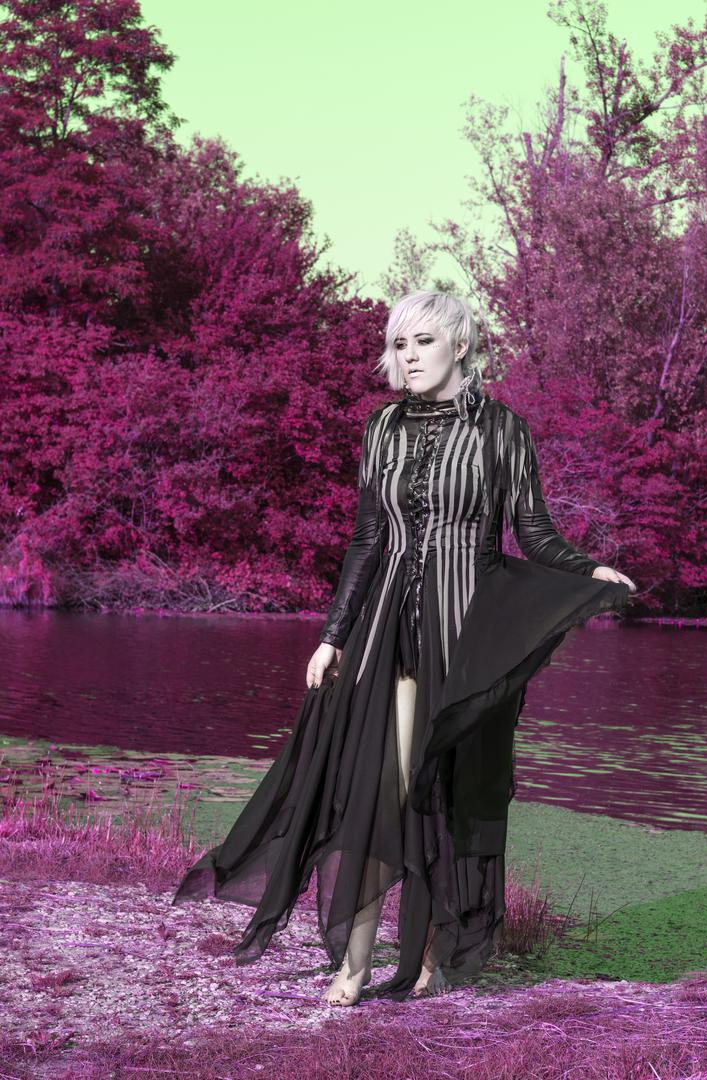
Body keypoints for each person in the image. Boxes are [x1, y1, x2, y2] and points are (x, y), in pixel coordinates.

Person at [171, 290, 636, 1005]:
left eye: (423, 341)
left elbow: (533, 532)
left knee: (443, 792)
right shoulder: (383, 428)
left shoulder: (502, 431)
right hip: (386, 627)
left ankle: (431, 957)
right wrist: (332, 635)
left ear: (461, 345)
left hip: (466, 631)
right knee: (377, 789)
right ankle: (355, 963)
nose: (409, 357)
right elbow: (367, 539)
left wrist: (588, 570)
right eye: (399, 344)